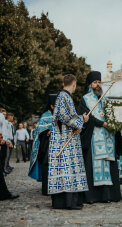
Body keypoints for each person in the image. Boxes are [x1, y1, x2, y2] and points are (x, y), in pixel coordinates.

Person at [78, 71, 122, 204]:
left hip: (108, 136)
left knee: (108, 164)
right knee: (93, 164)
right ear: (90, 85)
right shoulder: (85, 99)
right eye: (95, 83)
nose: (97, 85)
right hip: (93, 137)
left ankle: (108, 195)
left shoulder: (105, 98)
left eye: (99, 82)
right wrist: (102, 123)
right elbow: (85, 116)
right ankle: (93, 196)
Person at [48, 74, 89, 210]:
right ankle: (68, 202)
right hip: (64, 139)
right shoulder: (64, 96)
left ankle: (72, 201)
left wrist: (79, 121)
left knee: (70, 168)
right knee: (67, 167)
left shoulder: (63, 96)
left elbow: (68, 116)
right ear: (74, 84)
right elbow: (65, 117)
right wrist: (81, 121)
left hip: (67, 137)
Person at [29, 94, 57, 195]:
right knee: (47, 165)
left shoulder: (59, 114)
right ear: (52, 106)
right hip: (47, 146)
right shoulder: (45, 116)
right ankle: (46, 189)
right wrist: (48, 132)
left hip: (58, 145)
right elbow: (39, 131)